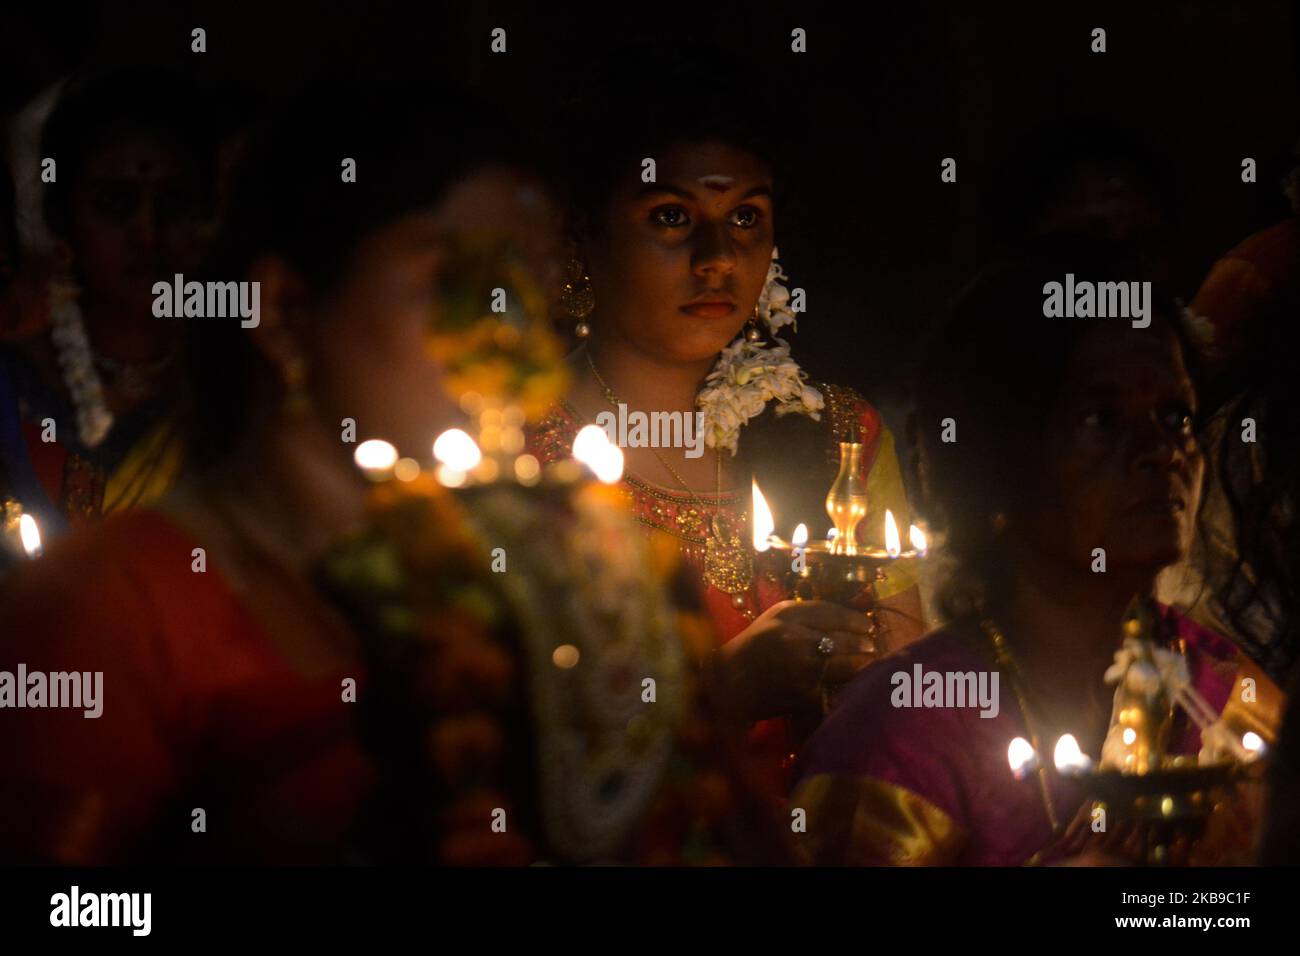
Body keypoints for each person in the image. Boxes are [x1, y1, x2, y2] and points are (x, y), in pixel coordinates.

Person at [0, 78, 777, 865]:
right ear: (286, 310)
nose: (515, 347)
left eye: (529, 296)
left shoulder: (561, 580)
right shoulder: (116, 608)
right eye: (460, 285)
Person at [792, 240, 1280, 865]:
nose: (1161, 449)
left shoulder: (1235, 705)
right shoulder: (899, 739)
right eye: (1100, 419)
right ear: (992, 462)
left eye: (1176, 416)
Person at [526, 50, 925, 794]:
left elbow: (911, 709)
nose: (718, 258)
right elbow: (501, 754)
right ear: (582, 236)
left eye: (746, 217)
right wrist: (719, 692)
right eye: (671, 217)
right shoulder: (515, 461)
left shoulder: (837, 435)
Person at [0, 70, 219, 539]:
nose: (148, 234)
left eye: (175, 201)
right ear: (62, 224)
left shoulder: (234, 387)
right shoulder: (13, 385)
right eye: (115, 202)